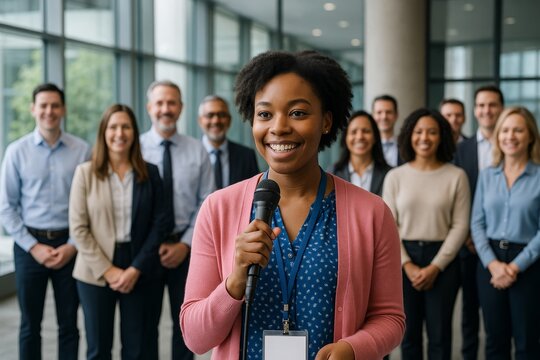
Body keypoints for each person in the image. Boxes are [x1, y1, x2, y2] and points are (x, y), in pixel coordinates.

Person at [180, 50, 405, 360]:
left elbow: (390, 318)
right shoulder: (218, 209)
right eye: (265, 114)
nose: (279, 127)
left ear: (326, 121)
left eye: (298, 113)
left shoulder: (372, 213)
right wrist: (233, 283)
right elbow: (194, 337)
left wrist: (354, 349)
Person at [0, 83, 90, 360]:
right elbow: (6, 207)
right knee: (30, 324)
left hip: (70, 245)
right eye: (43, 106)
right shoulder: (17, 151)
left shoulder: (82, 150)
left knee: (69, 324)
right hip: (30, 247)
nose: (49, 111)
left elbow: (90, 206)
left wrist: (73, 245)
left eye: (54, 106)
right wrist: (33, 246)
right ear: (33, 109)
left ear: (62, 110)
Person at [69, 104, 166, 359]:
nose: (119, 133)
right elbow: (78, 228)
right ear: (103, 132)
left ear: (134, 132)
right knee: (98, 348)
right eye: (113, 127)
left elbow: (160, 224)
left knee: (137, 347)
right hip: (95, 269)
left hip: (138, 266)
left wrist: (136, 268)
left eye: (126, 127)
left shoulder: (150, 172)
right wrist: (108, 270)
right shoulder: (85, 173)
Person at [382, 108, 470, 360]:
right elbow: (388, 226)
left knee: (440, 337)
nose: (425, 137)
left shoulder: (457, 176)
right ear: (409, 136)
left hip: (442, 261)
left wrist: (435, 267)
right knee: (407, 337)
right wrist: (407, 264)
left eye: (432, 132)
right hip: (402, 259)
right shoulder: (395, 176)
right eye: (419, 131)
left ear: (442, 136)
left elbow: (460, 226)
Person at [140, 80, 214, 360]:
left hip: (187, 251)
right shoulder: (135, 149)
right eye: (159, 103)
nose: (165, 109)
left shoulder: (197, 150)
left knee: (186, 327)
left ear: (181, 108)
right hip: (146, 251)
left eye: (171, 103)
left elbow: (206, 203)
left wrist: (184, 244)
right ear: (149, 108)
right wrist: (151, 245)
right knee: (145, 327)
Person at [471, 106, 540, 359]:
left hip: (529, 263)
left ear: (530, 135)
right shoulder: (488, 175)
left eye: (518, 130)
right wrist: (493, 265)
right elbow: (477, 224)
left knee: (527, 341)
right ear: (498, 135)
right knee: (494, 341)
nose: (511, 136)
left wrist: (515, 267)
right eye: (506, 130)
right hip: (490, 262)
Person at [453, 85, 504, 360]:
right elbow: (457, 195)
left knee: (500, 319)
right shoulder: (462, 149)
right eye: (481, 105)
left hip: (503, 241)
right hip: (468, 244)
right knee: (469, 313)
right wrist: (469, 234)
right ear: (475, 110)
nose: (486, 110)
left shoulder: (512, 142)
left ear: (501, 109)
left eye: (492, 105)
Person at [198, 95, 259, 188]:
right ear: (200, 121)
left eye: (221, 115)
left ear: (229, 120)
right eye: (210, 115)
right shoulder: (189, 154)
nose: (216, 121)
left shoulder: (247, 156)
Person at [328, 110, 391, 196]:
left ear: (375, 137)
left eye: (366, 131)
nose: (360, 137)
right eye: (353, 132)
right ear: (345, 138)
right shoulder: (332, 173)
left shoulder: (389, 174)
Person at [372, 94, 402, 167]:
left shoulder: (405, 146)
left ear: (396, 115)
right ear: (373, 116)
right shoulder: (365, 147)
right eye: (379, 112)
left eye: (388, 112)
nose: (384, 117)